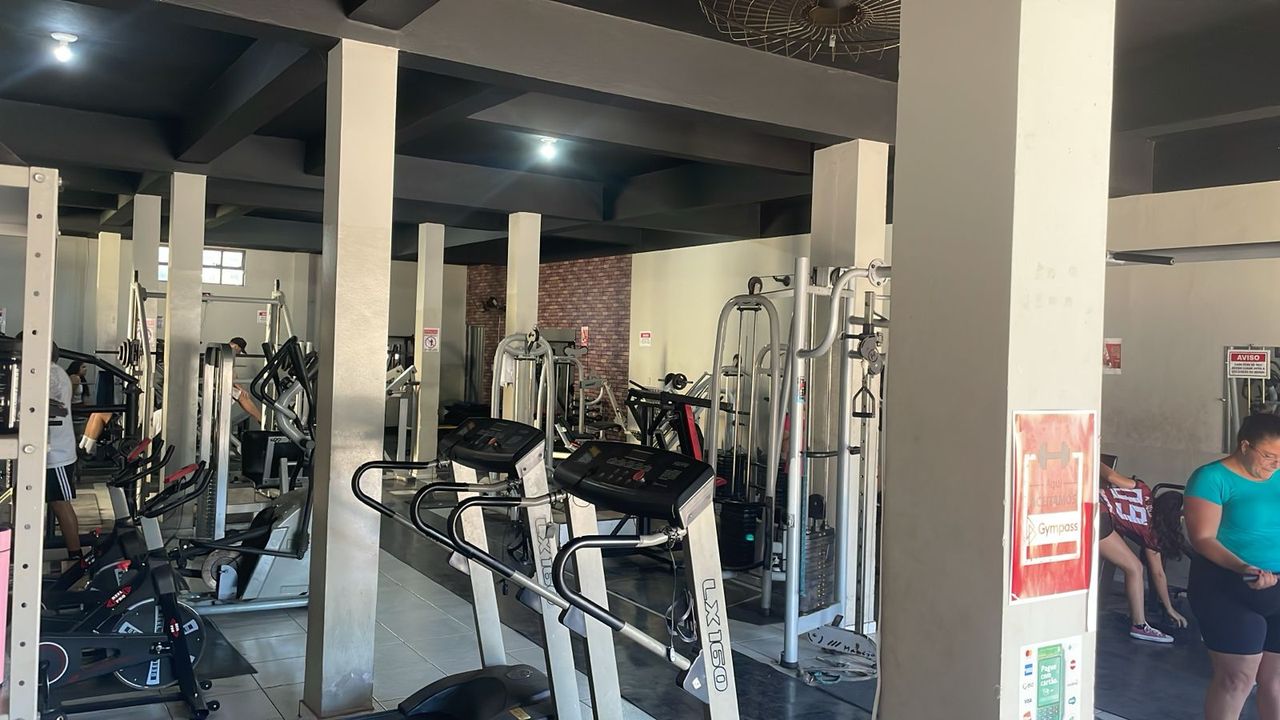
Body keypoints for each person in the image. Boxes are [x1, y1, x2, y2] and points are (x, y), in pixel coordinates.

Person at [1185, 413, 1280, 720]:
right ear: (1245, 446)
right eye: (1269, 456)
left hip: (1275, 585)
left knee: (1276, 681)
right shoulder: (1211, 478)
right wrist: (1244, 568)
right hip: (1226, 585)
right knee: (1237, 679)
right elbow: (1203, 538)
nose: (1275, 464)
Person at [1098, 462, 1189, 643]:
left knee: (1134, 567)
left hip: (1090, 502)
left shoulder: (1143, 490)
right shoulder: (1154, 533)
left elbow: (1111, 476)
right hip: (1098, 515)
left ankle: (1138, 622)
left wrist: (1091, 458)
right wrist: (1169, 608)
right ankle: (1139, 625)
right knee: (1134, 568)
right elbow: (1158, 574)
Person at [43, 342, 81, 563]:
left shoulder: (50, 374)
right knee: (24, 499)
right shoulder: (48, 372)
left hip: (55, 453)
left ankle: (76, 556)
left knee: (59, 503)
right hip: (44, 450)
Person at [227, 336, 261, 423]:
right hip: (219, 383)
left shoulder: (225, 351)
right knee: (242, 395)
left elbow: (233, 375)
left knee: (242, 395)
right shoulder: (229, 353)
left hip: (222, 381)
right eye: (240, 350)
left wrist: (241, 388)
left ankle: (260, 419)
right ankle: (261, 420)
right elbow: (231, 375)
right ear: (236, 346)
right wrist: (241, 389)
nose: (239, 353)